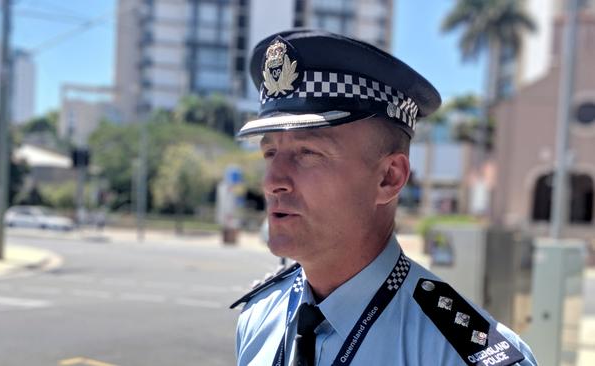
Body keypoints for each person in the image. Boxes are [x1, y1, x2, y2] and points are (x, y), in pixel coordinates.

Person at [230, 29, 537, 366]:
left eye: (308, 153)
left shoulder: (457, 352)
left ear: (389, 178)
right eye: (270, 153)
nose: (273, 181)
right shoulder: (260, 315)